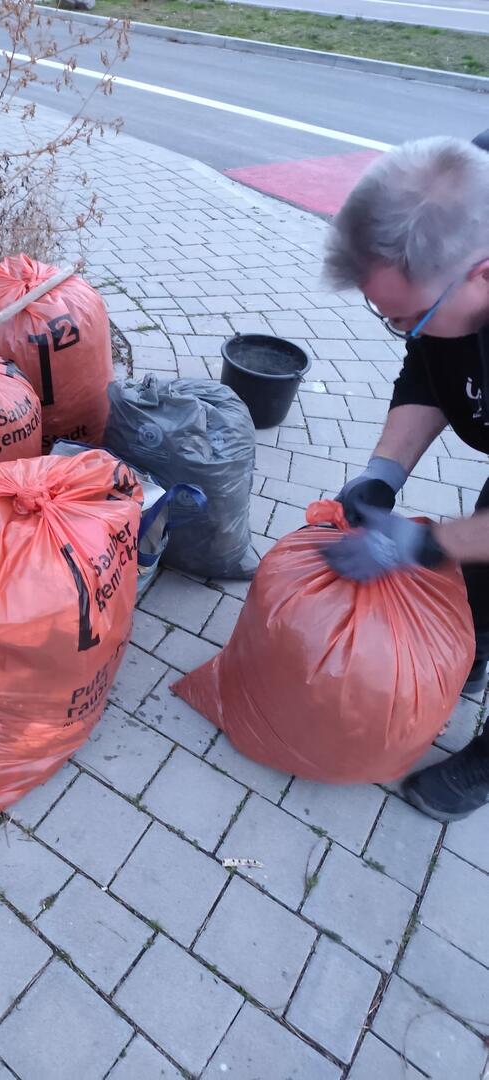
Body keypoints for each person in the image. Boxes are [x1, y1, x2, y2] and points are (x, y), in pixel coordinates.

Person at [321, 134, 489, 822]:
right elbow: (431, 363)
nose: (402, 331)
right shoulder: (458, 204)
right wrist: (382, 475)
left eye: (408, 317)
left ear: (484, 275)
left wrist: (428, 543)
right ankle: (474, 646)